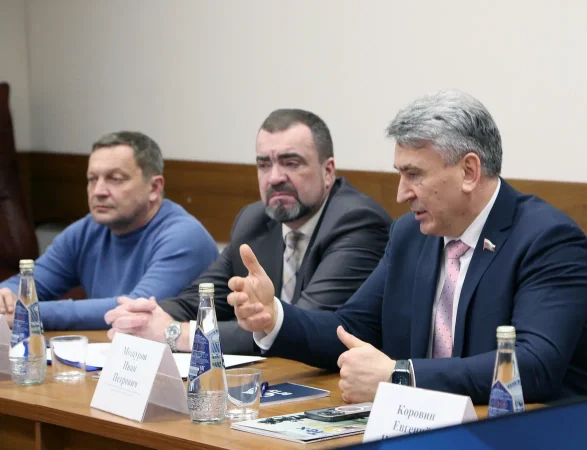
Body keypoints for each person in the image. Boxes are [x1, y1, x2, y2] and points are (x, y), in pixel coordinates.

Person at [228, 90, 587, 405]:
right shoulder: (411, 234)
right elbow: (354, 328)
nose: (401, 193)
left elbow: (532, 366)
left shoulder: (549, 240)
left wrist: (400, 376)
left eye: (414, 174)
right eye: (400, 174)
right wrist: (274, 317)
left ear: (469, 172)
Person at [103, 109, 392, 354]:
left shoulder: (358, 222)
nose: (275, 177)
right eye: (264, 164)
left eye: (291, 163)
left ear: (328, 171)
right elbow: (201, 299)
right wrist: (143, 319)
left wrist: (176, 333)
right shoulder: (254, 220)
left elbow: (302, 326)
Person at [0, 131, 218, 330]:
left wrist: (27, 313)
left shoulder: (185, 237)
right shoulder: (87, 230)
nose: (98, 191)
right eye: (92, 179)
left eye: (115, 179)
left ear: (154, 187)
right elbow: (31, 283)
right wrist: (5, 296)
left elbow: (134, 310)